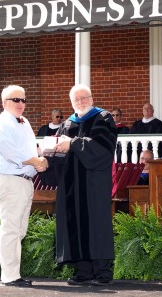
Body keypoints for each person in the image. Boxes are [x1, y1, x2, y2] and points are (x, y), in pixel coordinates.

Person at [45, 84, 117, 286]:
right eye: (76, 100)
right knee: (74, 222)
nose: (81, 102)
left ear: (92, 99)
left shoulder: (103, 118)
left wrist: (74, 143)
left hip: (93, 183)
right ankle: (83, 271)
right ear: (71, 102)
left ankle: (102, 272)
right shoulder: (67, 124)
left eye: (84, 98)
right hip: (71, 185)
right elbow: (60, 154)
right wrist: (47, 156)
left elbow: (103, 149)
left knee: (96, 224)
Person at [0, 85, 48, 287]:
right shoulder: (1, 124)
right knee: (11, 230)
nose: (21, 104)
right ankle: (10, 276)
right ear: (4, 103)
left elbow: (30, 148)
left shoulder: (24, 122)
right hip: (10, 180)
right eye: (16, 100)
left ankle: (13, 273)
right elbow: (11, 153)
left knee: (20, 230)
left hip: (24, 181)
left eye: (23, 100)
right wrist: (36, 161)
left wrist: (43, 154)